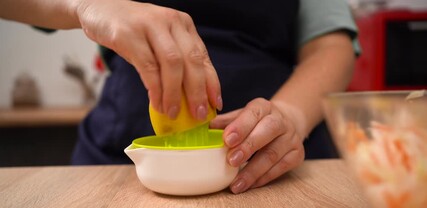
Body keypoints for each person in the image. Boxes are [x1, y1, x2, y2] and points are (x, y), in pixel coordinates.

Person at [1, 0, 358, 194]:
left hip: (272, 169)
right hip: (112, 162)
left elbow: (331, 47)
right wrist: (84, 4)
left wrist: (290, 114)